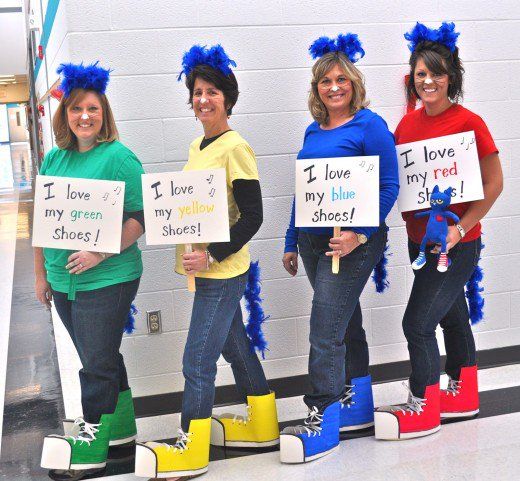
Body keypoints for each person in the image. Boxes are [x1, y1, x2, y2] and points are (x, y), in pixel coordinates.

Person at [135, 45, 279, 480]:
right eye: (197, 92)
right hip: (205, 272)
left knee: (196, 361)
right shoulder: (198, 144)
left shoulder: (236, 147)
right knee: (236, 348)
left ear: (227, 98)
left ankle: (190, 445)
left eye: (212, 91)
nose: (203, 99)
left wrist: (213, 253)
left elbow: (253, 216)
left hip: (222, 272)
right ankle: (263, 423)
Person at [374, 22, 503, 441]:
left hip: (458, 244)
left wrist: (461, 229)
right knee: (450, 313)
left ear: (452, 77)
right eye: (421, 74)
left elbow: (494, 184)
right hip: (420, 243)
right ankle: (463, 393)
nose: (428, 81)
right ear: (412, 79)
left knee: (417, 322)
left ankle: (422, 402)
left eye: (437, 73)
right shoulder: (406, 127)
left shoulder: (470, 122)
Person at [279, 33, 399, 463]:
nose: (334, 87)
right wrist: (291, 240)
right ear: (316, 88)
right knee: (345, 322)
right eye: (325, 81)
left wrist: (358, 234)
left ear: (353, 84)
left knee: (324, 327)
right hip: (313, 242)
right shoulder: (313, 130)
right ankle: (359, 404)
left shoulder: (371, 126)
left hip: (353, 242)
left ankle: (322, 416)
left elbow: (389, 187)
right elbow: (303, 190)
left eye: (341, 79)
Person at [38, 62, 145, 478]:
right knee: (97, 354)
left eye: (93, 109)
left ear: (104, 114)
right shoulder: (54, 159)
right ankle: (120, 431)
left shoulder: (120, 158)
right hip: (62, 280)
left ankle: (91, 442)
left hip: (109, 277)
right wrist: (41, 274)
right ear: (66, 115)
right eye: (76, 108)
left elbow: (139, 219)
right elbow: (41, 224)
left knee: (95, 361)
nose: (85, 116)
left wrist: (99, 253)